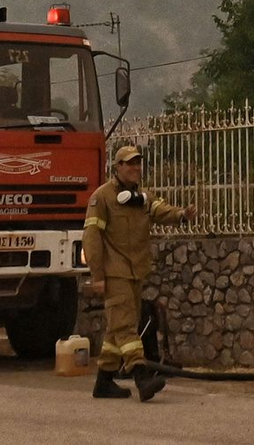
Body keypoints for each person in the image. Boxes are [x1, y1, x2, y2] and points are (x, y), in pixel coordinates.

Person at [82, 144, 195, 401]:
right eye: (129, 163)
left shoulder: (143, 197)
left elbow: (160, 211)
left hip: (136, 272)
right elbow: (91, 239)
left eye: (138, 163)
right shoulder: (102, 198)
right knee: (125, 326)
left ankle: (103, 382)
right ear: (118, 166)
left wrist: (182, 215)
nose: (135, 168)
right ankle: (142, 377)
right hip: (114, 273)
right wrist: (97, 275)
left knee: (119, 327)